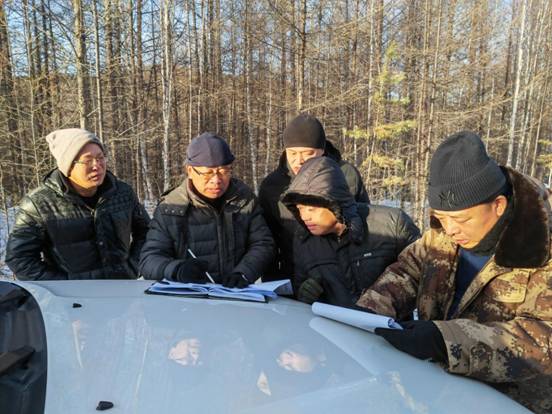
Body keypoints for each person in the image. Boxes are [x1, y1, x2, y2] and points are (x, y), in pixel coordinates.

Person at [356, 131, 552, 413]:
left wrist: (444, 340)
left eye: (461, 219)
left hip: (511, 404)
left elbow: (543, 338)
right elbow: (408, 271)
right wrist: (368, 311)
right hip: (437, 393)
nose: (449, 230)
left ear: (498, 205)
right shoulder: (445, 231)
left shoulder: (542, 244)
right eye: (441, 217)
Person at [6, 128, 150, 280]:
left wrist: (133, 267)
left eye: (100, 157)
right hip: (70, 294)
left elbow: (148, 233)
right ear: (68, 166)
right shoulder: (39, 204)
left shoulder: (122, 193)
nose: (97, 165)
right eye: (88, 160)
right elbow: (19, 258)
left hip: (122, 287)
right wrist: (64, 284)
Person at [139, 132, 274, 287]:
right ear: (190, 171)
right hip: (188, 297)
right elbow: (149, 260)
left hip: (236, 293)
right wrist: (177, 270)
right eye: (208, 173)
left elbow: (263, 244)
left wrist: (243, 273)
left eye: (224, 171)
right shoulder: (170, 208)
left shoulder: (244, 200)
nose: (216, 180)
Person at [280, 156, 419, 304]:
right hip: (332, 319)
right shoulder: (304, 241)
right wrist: (305, 295)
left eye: (311, 209)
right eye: (300, 209)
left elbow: (422, 275)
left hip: (387, 318)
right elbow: (300, 286)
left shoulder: (391, 224)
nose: (304, 216)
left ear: (334, 203)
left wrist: (384, 300)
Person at [259, 113, 369, 281]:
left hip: (341, 271)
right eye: (292, 153)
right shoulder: (272, 185)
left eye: (307, 153)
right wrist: (275, 284)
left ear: (322, 150)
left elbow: (363, 223)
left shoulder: (347, 175)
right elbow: (269, 239)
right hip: (294, 273)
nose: (299, 161)